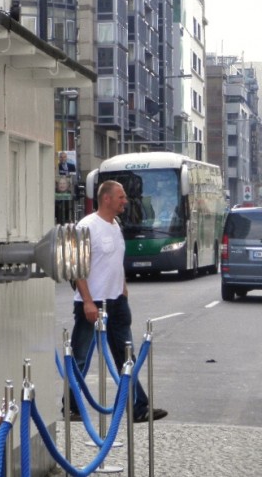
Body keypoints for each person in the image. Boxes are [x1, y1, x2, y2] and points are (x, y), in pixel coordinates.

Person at [68, 179, 167, 423]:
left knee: (126, 356)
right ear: (107, 199)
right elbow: (77, 268)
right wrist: (88, 301)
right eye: (121, 197)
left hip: (116, 302)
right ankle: (71, 406)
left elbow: (115, 260)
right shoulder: (87, 226)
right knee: (80, 356)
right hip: (92, 303)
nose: (125, 201)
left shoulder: (115, 224)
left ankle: (138, 407)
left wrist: (122, 287)